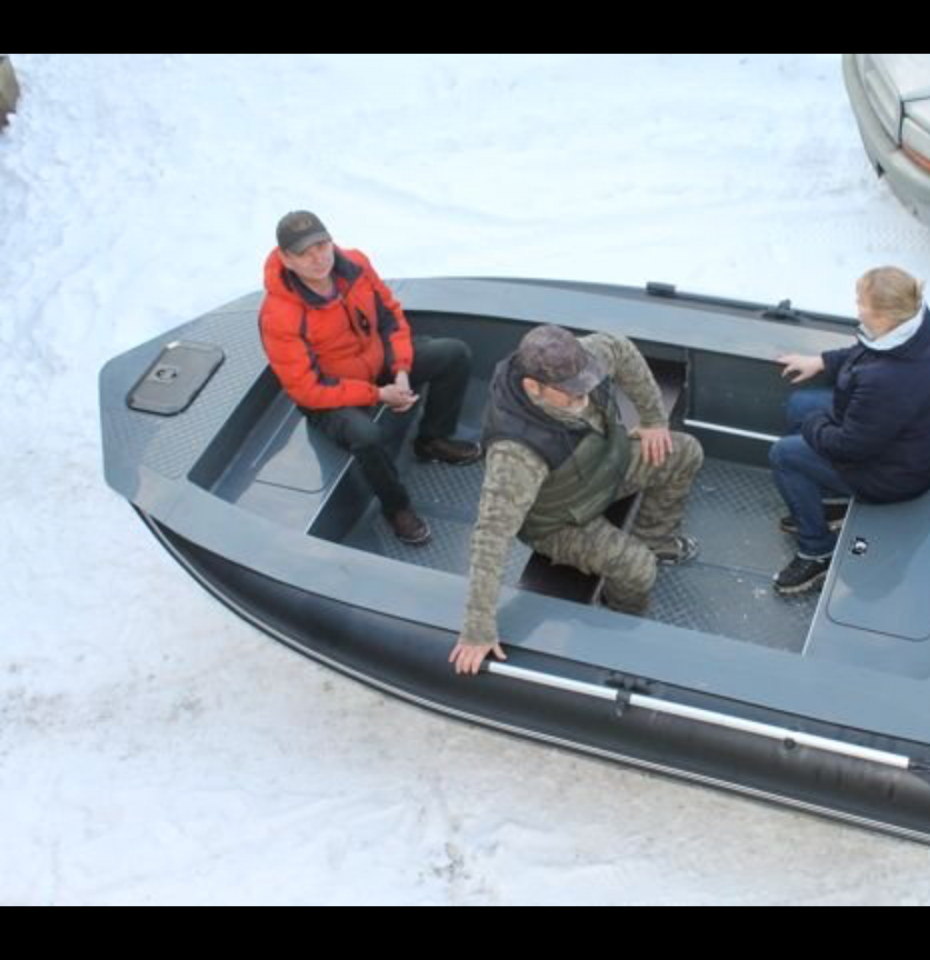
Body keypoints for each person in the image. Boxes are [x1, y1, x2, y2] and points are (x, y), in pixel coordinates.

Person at [449, 325, 705, 675]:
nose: (584, 398)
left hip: (605, 464)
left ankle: (654, 539)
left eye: (586, 384)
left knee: (685, 452)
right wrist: (478, 628)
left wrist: (653, 419)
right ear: (533, 387)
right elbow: (491, 536)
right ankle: (620, 618)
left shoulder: (578, 361)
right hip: (559, 520)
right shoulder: (515, 455)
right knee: (638, 569)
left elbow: (622, 349)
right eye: (571, 393)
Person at [259, 211, 481, 545]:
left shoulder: (356, 265)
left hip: (378, 363)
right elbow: (307, 389)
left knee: (454, 353)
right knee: (367, 435)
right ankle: (397, 507)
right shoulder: (279, 316)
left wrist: (402, 370)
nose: (318, 258)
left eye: (322, 245)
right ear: (286, 260)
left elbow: (390, 317)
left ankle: (432, 441)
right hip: (329, 392)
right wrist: (376, 395)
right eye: (304, 253)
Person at [771, 266, 930, 595]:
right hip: (908, 446)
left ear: (883, 316)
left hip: (894, 474)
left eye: (861, 302)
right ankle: (831, 498)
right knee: (799, 405)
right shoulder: (914, 327)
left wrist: (815, 424)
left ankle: (817, 551)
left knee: (784, 455)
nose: (857, 308)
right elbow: (867, 354)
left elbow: (849, 447)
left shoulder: (888, 380)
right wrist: (822, 361)